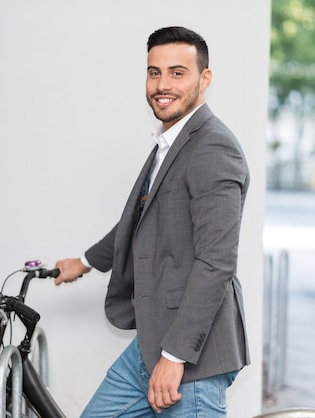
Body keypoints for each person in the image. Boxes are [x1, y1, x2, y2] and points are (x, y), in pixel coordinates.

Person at [54, 26, 250, 417]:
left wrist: (175, 356)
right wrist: (86, 262)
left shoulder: (213, 146)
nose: (163, 84)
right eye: (154, 72)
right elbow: (140, 220)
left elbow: (217, 263)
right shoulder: (172, 141)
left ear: (204, 78)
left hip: (193, 354)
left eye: (178, 72)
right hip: (153, 339)